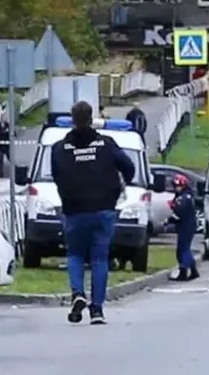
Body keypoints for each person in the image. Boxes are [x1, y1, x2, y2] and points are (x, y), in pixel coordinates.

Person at [50, 101, 135, 325]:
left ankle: (78, 293)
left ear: (72, 119)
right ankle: (96, 310)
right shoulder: (105, 144)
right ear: (91, 118)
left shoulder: (60, 148)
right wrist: (119, 186)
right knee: (99, 259)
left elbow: (56, 175)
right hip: (103, 208)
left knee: (75, 255)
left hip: (74, 210)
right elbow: (128, 166)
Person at [168, 175, 200, 282]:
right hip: (187, 225)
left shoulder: (183, 198)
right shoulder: (186, 196)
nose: (175, 188)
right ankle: (192, 271)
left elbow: (179, 213)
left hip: (186, 226)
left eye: (177, 186)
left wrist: (170, 219)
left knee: (183, 250)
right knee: (183, 249)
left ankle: (184, 271)